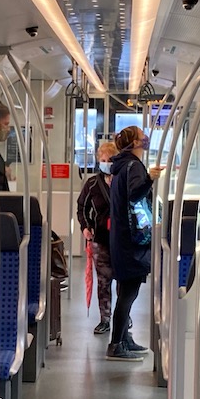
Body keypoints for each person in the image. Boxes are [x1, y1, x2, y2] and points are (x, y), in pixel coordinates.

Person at [106, 125, 164, 361]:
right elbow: (135, 195)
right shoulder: (135, 167)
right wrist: (150, 178)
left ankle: (124, 338)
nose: (146, 139)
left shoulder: (122, 166)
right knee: (128, 293)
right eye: (142, 136)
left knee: (126, 292)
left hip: (121, 238)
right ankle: (117, 344)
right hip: (132, 241)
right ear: (135, 143)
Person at [76, 139, 118, 335]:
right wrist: (85, 227)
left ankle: (123, 317)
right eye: (103, 159)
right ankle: (105, 318)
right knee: (103, 280)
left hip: (121, 240)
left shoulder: (124, 181)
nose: (106, 162)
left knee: (124, 281)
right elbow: (81, 207)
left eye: (110, 159)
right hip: (100, 238)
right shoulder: (93, 184)